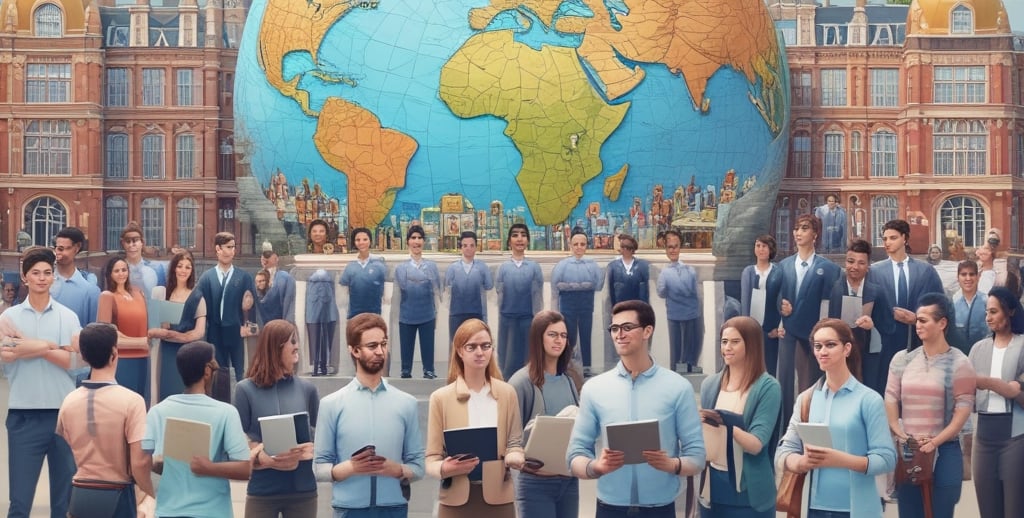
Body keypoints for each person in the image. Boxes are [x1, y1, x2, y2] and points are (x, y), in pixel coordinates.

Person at [567, 300, 705, 517]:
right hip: (609, 508)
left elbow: (697, 456)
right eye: (614, 328)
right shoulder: (594, 389)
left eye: (627, 327)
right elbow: (574, 455)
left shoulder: (678, 387)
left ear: (647, 331)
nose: (619, 334)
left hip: (660, 509)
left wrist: (671, 464)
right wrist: (596, 466)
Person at [775, 319, 896, 518]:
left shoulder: (869, 399)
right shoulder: (806, 398)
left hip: (856, 509)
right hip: (810, 509)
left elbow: (886, 458)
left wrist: (840, 459)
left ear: (847, 348)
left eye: (830, 345)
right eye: (818, 346)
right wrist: (801, 462)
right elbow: (784, 451)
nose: (823, 351)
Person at [314, 313, 425, 517]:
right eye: (372, 346)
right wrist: (350, 467)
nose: (381, 352)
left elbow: (418, 466)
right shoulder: (331, 404)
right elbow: (319, 468)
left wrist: (398, 470)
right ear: (354, 350)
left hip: (395, 508)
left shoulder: (406, 403)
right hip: (348, 510)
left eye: (383, 344)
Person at [0, 247, 80, 518]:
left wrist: (29, 346)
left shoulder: (68, 317)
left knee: (64, 503)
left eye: (48, 273)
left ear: (53, 277)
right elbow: (7, 356)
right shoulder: (8, 319)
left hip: (64, 418)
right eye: (36, 273)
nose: (42, 278)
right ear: (25, 278)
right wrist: (51, 346)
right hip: (24, 415)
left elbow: (75, 363)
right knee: (19, 504)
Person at [885, 293, 976, 518]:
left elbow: (962, 411)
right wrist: (900, 433)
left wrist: (935, 441)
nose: (918, 325)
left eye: (924, 320)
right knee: (908, 512)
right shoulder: (902, 359)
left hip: (945, 450)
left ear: (942, 323)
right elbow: (890, 398)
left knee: (940, 513)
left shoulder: (960, 362)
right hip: (909, 449)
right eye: (917, 319)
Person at [425, 318, 525, 518]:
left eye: (486, 346)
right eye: (472, 347)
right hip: (456, 500)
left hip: (499, 499)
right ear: (460, 351)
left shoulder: (507, 393)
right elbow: (431, 460)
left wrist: (515, 456)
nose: (480, 352)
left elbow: (515, 442)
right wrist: (446, 467)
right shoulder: (440, 398)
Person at [56, 322, 156, 517]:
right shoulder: (132, 401)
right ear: (114, 353)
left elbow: (66, 446)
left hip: (79, 493)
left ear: (83, 356)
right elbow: (140, 463)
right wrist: (149, 492)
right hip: (117, 494)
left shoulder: (69, 401)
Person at [142, 341, 251, 517]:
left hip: (169, 511)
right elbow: (245, 469)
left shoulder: (158, 411)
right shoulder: (226, 413)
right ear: (207, 371)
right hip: (214, 512)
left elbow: (141, 462)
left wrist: (155, 488)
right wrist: (209, 468)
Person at [235, 319, 320, 517]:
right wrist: (259, 454)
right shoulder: (244, 389)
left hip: (303, 490)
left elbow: (319, 434)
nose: (297, 345)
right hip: (263, 489)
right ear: (276, 346)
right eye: (292, 341)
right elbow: (239, 439)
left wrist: (311, 447)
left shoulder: (308, 389)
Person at [698, 316, 781, 517]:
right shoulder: (710, 384)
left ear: (751, 345)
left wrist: (724, 422)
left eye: (735, 342)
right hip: (712, 488)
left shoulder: (768, 387)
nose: (727, 347)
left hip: (749, 492)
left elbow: (756, 444)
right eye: (724, 342)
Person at [507, 310, 582, 518]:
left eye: (564, 336)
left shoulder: (570, 379)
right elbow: (510, 437)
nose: (559, 340)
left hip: (568, 481)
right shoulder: (521, 382)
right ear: (538, 337)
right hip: (535, 483)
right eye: (552, 334)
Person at [777, 214, 841, 427]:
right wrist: (780, 306)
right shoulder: (783, 266)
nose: (798, 232)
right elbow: (773, 297)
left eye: (804, 228)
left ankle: (811, 428)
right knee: (785, 382)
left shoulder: (829, 269)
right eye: (796, 228)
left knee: (811, 383)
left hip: (814, 335)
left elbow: (831, 303)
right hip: (787, 333)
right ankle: (786, 430)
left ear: (815, 234)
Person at [967, 287, 1024, 518]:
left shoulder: (1022, 345)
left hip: (1015, 437)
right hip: (984, 437)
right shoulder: (978, 349)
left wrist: (986, 382)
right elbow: (966, 398)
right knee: (988, 511)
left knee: (1015, 511)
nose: (988, 317)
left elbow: (1015, 391)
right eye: (986, 312)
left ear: (1010, 311)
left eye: (994, 311)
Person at [827, 238, 895, 395]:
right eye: (851, 261)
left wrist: (873, 326)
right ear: (845, 262)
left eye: (861, 263)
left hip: (869, 359)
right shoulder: (833, 289)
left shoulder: (878, 292)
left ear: (868, 267)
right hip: (839, 357)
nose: (854, 267)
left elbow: (889, 327)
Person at [196, 231, 256, 383]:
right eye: (228, 247)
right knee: (218, 373)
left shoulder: (243, 277)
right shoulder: (207, 277)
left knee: (241, 372)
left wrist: (248, 326)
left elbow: (251, 304)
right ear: (218, 249)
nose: (232, 251)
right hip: (215, 331)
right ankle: (221, 403)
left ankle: (242, 403)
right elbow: (197, 302)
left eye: (234, 247)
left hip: (237, 331)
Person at [147, 250, 207, 401]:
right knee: (164, 391)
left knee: (184, 391)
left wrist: (172, 335)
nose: (183, 270)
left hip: (188, 354)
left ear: (192, 271)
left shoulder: (197, 297)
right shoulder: (161, 293)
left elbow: (198, 332)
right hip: (165, 353)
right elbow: (153, 327)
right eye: (180, 266)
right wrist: (162, 329)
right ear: (174, 268)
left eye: (188, 267)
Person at [97, 255, 151, 400]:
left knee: (140, 404)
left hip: (144, 358)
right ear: (109, 274)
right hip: (122, 360)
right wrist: (140, 342)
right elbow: (105, 336)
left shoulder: (138, 292)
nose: (121, 274)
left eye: (124, 270)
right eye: (116, 271)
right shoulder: (107, 296)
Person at [551, 229, 604, 376]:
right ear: (570, 245)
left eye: (582, 244)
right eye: (576, 244)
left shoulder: (592, 265)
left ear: (587, 245)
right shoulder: (563, 265)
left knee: (586, 337)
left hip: (586, 305)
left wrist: (586, 286)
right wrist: (570, 287)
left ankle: (587, 368)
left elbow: (598, 284)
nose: (579, 247)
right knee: (569, 337)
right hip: (568, 306)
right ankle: (566, 367)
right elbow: (556, 285)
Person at [495, 223, 544, 379]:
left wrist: (537, 319)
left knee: (529, 359)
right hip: (507, 319)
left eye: (523, 235)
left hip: (528, 319)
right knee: (507, 360)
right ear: (509, 241)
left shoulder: (534, 267)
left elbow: (538, 297)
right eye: (515, 235)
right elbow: (499, 295)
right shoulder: (503, 268)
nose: (519, 238)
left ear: (528, 241)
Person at [395, 224, 441, 379]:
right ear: (408, 241)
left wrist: (437, 313)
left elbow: (437, 292)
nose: (416, 241)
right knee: (406, 348)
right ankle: (405, 370)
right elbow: (397, 295)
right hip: (406, 313)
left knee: (428, 346)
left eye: (420, 238)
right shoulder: (401, 268)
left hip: (427, 313)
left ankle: (429, 370)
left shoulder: (432, 266)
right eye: (413, 238)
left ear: (424, 241)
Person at [657, 229, 702, 373]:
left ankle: (685, 369)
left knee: (686, 346)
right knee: (677, 347)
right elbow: (661, 292)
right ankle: (678, 370)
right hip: (676, 314)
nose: (673, 250)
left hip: (688, 313)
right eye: (670, 247)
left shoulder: (688, 270)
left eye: (675, 246)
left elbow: (663, 292)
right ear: (665, 249)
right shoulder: (666, 272)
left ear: (680, 247)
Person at [740, 235, 783, 376]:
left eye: (764, 246)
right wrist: (746, 329)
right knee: (752, 366)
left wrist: (779, 327)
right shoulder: (748, 271)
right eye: (758, 246)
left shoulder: (778, 271)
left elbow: (781, 298)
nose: (761, 249)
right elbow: (745, 300)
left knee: (770, 366)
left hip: (772, 326)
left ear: (771, 249)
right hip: (753, 325)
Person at [444, 231, 494, 341]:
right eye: (465, 245)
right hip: (456, 314)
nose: (468, 248)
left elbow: (489, 287)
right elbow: (447, 290)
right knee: (457, 346)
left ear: (476, 247)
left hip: (477, 314)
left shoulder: (482, 268)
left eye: (472, 245)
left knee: (476, 344)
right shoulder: (452, 269)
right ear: (460, 247)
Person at [52, 226, 100, 326]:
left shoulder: (90, 290)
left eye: (64, 249)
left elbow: (93, 330)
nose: (58, 253)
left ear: (77, 248)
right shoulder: (44, 283)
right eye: (57, 248)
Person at [341, 227, 387, 319]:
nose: (361, 242)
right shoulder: (350, 265)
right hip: (354, 315)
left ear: (370, 241)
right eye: (358, 240)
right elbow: (344, 293)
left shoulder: (379, 263)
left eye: (365, 239)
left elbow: (385, 292)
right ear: (354, 242)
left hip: (375, 314)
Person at [305, 267, 339, 377]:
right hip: (327, 315)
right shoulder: (328, 283)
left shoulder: (311, 283)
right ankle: (324, 366)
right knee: (326, 339)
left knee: (315, 340)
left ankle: (317, 367)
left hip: (313, 315)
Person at [952, 260, 988, 355]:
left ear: (978, 277)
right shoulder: (951, 302)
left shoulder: (987, 301)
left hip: (983, 354)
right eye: (963, 274)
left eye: (971, 274)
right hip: (959, 357)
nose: (968, 278)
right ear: (957, 277)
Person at [120, 222, 162, 297]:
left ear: (142, 242)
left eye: (135, 240)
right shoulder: (116, 269)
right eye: (128, 241)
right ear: (123, 244)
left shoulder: (156, 269)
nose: (131, 245)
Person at [258, 250, 296, 323]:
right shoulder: (259, 275)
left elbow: (289, 300)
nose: (265, 261)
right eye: (263, 259)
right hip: (264, 317)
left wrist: (288, 321)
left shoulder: (284, 277)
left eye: (268, 258)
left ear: (276, 259)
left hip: (279, 317)